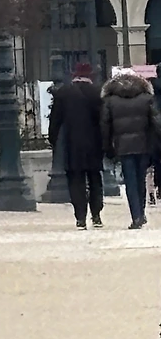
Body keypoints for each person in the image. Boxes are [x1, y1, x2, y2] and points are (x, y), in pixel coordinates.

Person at [102, 68, 161, 228]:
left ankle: (136, 216)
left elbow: (105, 126)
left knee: (130, 181)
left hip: (123, 146)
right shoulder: (146, 98)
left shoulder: (110, 100)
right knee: (141, 179)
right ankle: (141, 212)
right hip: (144, 145)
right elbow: (156, 123)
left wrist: (107, 147)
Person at [48, 62, 104, 228]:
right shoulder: (97, 93)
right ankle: (96, 214)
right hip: (94, 143)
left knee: (75, 180)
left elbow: (55, 120)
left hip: (72, 143)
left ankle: (80, 217)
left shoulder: (64, 93)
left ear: (74, 75)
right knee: (95, 178)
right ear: (90, 76)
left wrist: (53, 139)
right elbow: (104, 120)